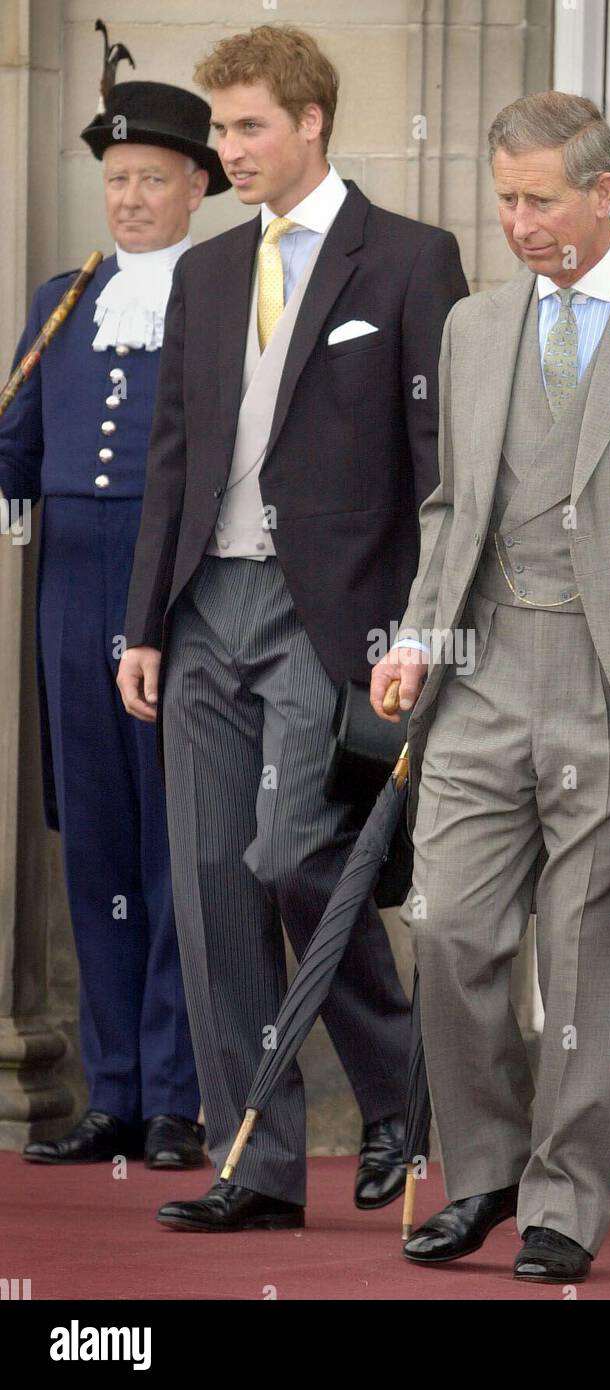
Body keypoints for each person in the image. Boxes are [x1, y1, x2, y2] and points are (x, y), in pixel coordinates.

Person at [371, 91, 610, 1283]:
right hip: (480, 677)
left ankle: (564, 1203)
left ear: (604, 194)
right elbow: (450, 511)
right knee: (447, 929)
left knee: (589, 957)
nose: (518, 222)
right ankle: (484, 1172)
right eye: (503, 199)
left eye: (539, 198)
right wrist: (414, 639)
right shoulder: (474, 325)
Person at [117, 24, 468, 1233]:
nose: (226, 150)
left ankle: (394, 1086)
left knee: (294, 854)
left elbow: (443, 470)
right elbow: (172, 460)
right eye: (218, 129)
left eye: (247, 125)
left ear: (310, 121)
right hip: (201, 604)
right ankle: (252, 1167)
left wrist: (421, 632)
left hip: (334, 614)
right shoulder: (208, 273)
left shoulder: (413, 260)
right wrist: (141, 625)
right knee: (213, 887)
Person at [0, 58, 230, 1167]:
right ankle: (114, 1094)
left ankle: (180, 1098)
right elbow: (19, 448)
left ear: (199, 185)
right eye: (117, 178)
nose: (130, 198)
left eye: (151, 178)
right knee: (92, 844)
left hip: (177, 584)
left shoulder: (229, 289)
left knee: (175, 845)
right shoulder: (65, 299)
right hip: (68, 584)